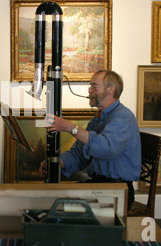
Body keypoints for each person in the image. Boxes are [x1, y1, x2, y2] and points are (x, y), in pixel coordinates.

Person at [41, 70, 141, 207]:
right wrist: (58, 163)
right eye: (90, 86)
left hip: (117, 190)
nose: (90, 90)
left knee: (62, 205)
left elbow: (106, 148)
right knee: (57, 199)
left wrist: (70, 127)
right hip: (101, 186)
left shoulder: (123, 117)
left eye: (94, 86)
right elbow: (79, 153)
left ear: (111, 89)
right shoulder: (98, 119)